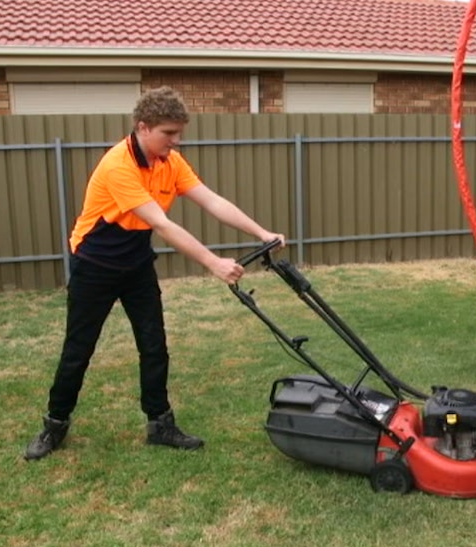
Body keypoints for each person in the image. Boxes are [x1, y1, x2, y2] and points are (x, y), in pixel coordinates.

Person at [24, 86, 285, 460]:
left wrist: (262, 233)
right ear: (143, 127)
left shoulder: (170, 163)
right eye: (169, 133)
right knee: (78, 350)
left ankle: (160, 425)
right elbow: (161, 225)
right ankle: (54, 425)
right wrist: (213, 263)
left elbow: (212, 201)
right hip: (94, 266)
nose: (176, 142)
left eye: (179, 133)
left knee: (154, 345)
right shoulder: (119, 165)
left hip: (135, 264)